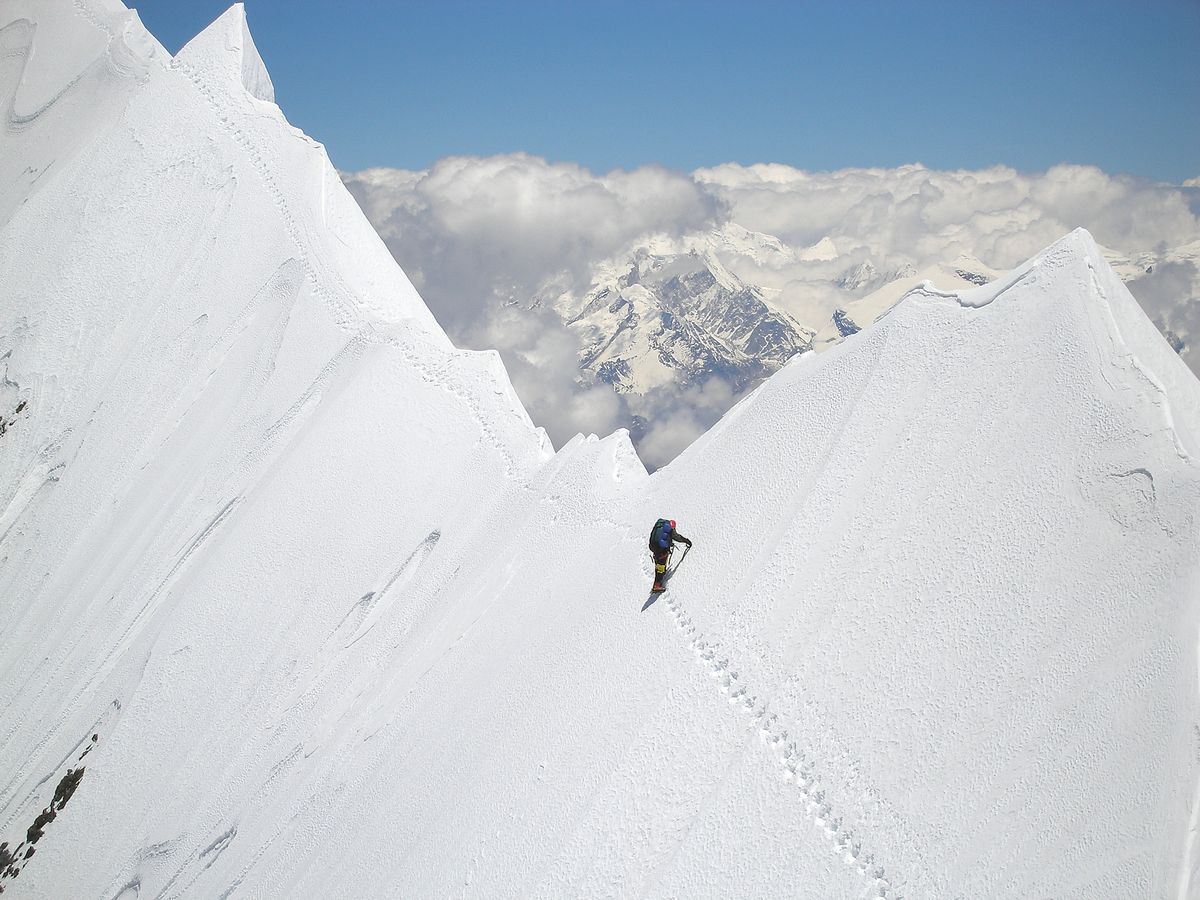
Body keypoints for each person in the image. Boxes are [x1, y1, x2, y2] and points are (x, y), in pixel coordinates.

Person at [648, 518, 691, 593]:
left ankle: (659, 576)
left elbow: (664, 537)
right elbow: (677, 537)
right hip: (661, 549)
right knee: (660, 566)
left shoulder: (660, 526)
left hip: (653, 546)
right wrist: (686, 541)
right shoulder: (670, 528)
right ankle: (657, 585)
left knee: (658, 564)